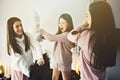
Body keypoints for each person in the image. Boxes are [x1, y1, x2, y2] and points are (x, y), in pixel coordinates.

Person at [67, 1, 117, 80]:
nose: (86, 19)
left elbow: (70, 36)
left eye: (87, 16)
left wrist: (83, 25)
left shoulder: (87, 36)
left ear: (95, 17)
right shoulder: (110, 35)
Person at [36, 13, 75, 80]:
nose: (60, 25)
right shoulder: (61, 35)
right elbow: (53, 37)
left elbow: (51, 38)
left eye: (63, 23)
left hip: (64, 62)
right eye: (59, 23)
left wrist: (41, 30)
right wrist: (42, 36)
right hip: (57, 61)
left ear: (69, 24)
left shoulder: (67, 35)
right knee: (54, 78)